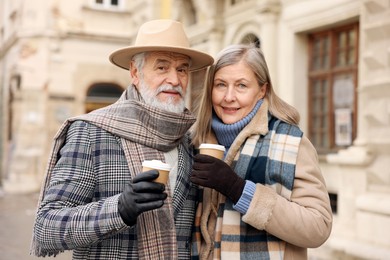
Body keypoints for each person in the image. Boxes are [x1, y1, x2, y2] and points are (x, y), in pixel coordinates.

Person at [31, 19, 214, 259]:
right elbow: (46, 228)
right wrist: (118, 209)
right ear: (135, 73)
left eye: (182, 69)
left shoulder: (189, 141)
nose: (174, 79)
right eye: (162, 67)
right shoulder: (91, 131)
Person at [190, 44, 332, 259]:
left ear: (262, 90)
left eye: (241, 86)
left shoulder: (290, 141)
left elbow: (318, 227)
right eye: (220, 85)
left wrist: (238, 189)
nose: (229, 97)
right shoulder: (196, 141)